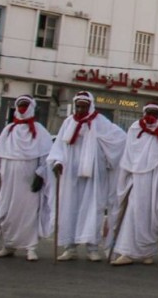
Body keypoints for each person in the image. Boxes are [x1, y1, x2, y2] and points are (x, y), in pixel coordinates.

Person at [48, 92, 125, 262]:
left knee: (93, 209)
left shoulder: (100, 122)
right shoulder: (68, 122)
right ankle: (70, 247)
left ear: (90, 106)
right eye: (78, 106)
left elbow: (119, 140)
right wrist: (57, 162)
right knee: (69, 208)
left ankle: (92, 247)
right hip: (70, 174)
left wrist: (106, 157)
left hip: (94, 175)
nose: (81, 109)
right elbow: (59, 146)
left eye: (84, 106)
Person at [0, 96, 53, 261]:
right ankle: (8, 246)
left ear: (31, 107)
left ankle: (31, 248)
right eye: (20, 105)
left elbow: (45, 159)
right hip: (7, 182)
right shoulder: (8, 130)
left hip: (28, 184)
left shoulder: (40, 131)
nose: (22, 108)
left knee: (28, 215)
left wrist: (41, 174)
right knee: (4, 213)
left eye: (26, 105)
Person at [111, 104, 158, 266]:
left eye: (154, 113)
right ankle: (127, 252)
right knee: (133, 212)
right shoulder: (135, 129)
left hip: (157, 178)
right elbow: (128, 153)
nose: (151, 116)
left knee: (153, 215)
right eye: (148, 112)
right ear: (143, 113)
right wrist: (127, 174)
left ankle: (147, 252)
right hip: (137, 178)